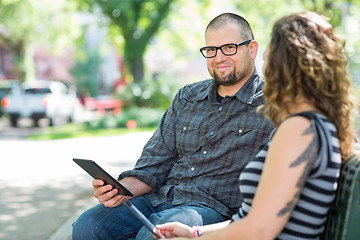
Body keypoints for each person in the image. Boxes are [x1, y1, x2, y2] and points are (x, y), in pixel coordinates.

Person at [71, 12, 274, 240]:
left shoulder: (273, 104)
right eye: (211, 50)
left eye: (229, 48)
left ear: (252, 49)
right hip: (161, 200)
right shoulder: (187, 97)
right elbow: (153, 165)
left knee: (154, 236)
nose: (219, 57)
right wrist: (119, 190)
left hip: (211, 212)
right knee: (87, 226)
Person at [155, 11, 357, 240]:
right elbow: (254, 219)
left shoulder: (299, 129)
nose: (265, 64)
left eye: (270, 55)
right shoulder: (313, 125)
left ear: (284, 65)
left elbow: (260, 230)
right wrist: (195, 233)